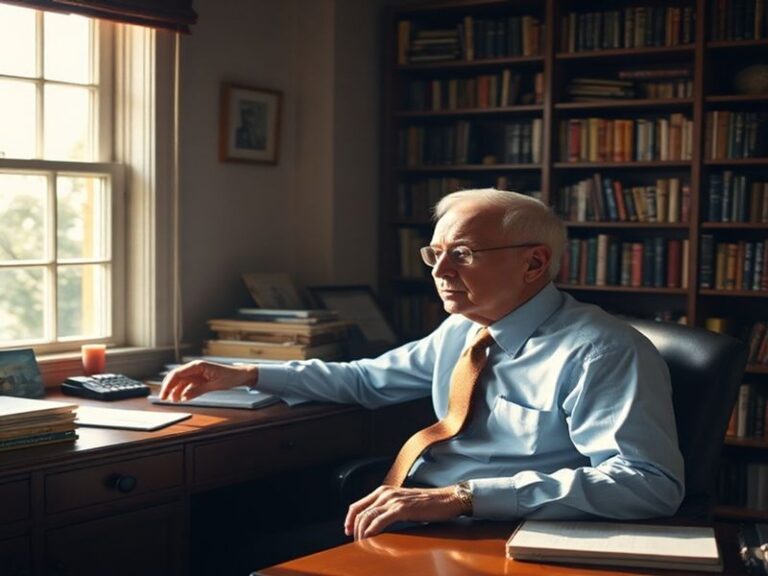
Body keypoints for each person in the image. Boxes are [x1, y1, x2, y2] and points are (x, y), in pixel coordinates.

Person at [160, 189, 684, 542]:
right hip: (418, 510)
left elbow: (648, 482)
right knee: (226, 528)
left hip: (504, 530)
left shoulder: (602, 352)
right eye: (434, 254)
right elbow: (367, 378)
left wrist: (462, 498)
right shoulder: (465, 329)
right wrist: (247, 373)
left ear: (534, 262)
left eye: (463, 253)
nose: (442, 271)